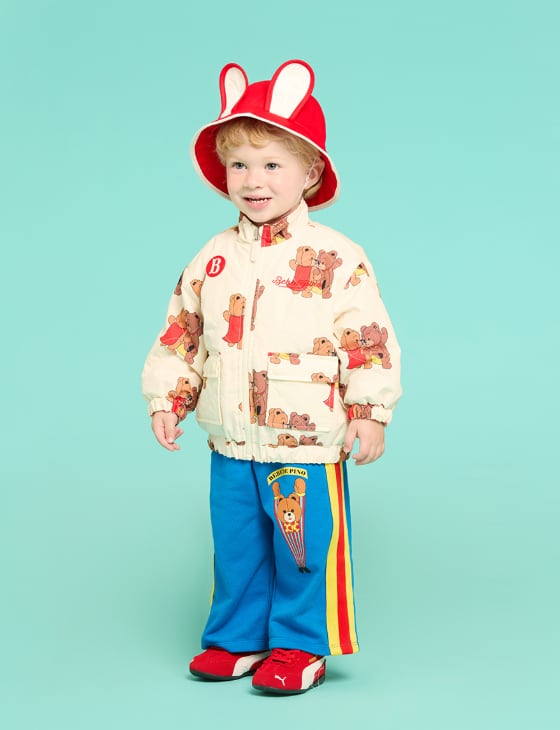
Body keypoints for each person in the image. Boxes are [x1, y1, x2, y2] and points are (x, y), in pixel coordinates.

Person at [142, 60, 402, 695]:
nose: (253, 181)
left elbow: (367, 340)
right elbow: (183, 333)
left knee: (302, 547)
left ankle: (299, 644)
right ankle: (237, 638)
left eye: (271, 165)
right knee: (236, 545)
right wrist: (168, 397)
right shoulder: (213, 258)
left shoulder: (337, 257)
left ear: (309, 172)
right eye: (239, 165)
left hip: (305, 443)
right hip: (230, 440)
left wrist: (369, 412)